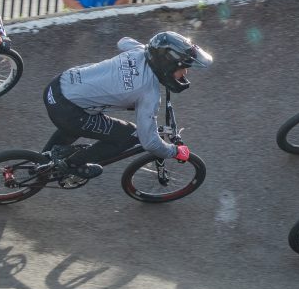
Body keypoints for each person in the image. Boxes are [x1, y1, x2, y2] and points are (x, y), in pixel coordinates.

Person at [41, 31, 213, 180]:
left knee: (80, 118)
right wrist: (174, 151)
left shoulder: (139, 51)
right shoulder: (148, 93)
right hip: (67, 110)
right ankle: (73, 165)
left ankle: (41, 162)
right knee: (130, 135)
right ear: (167, 66)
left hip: (57, 86)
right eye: (183, 67)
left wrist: (150, 50)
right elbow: (150, 143)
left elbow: (123, 41)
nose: (185, 73)